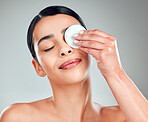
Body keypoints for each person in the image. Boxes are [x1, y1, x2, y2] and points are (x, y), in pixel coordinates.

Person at [0, 5, 148, 122]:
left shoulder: (124, 117)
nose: (64, 50)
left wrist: (115, 73)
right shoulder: (18, 118)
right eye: (49, 47)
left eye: (72, 37)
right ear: (38, 67)